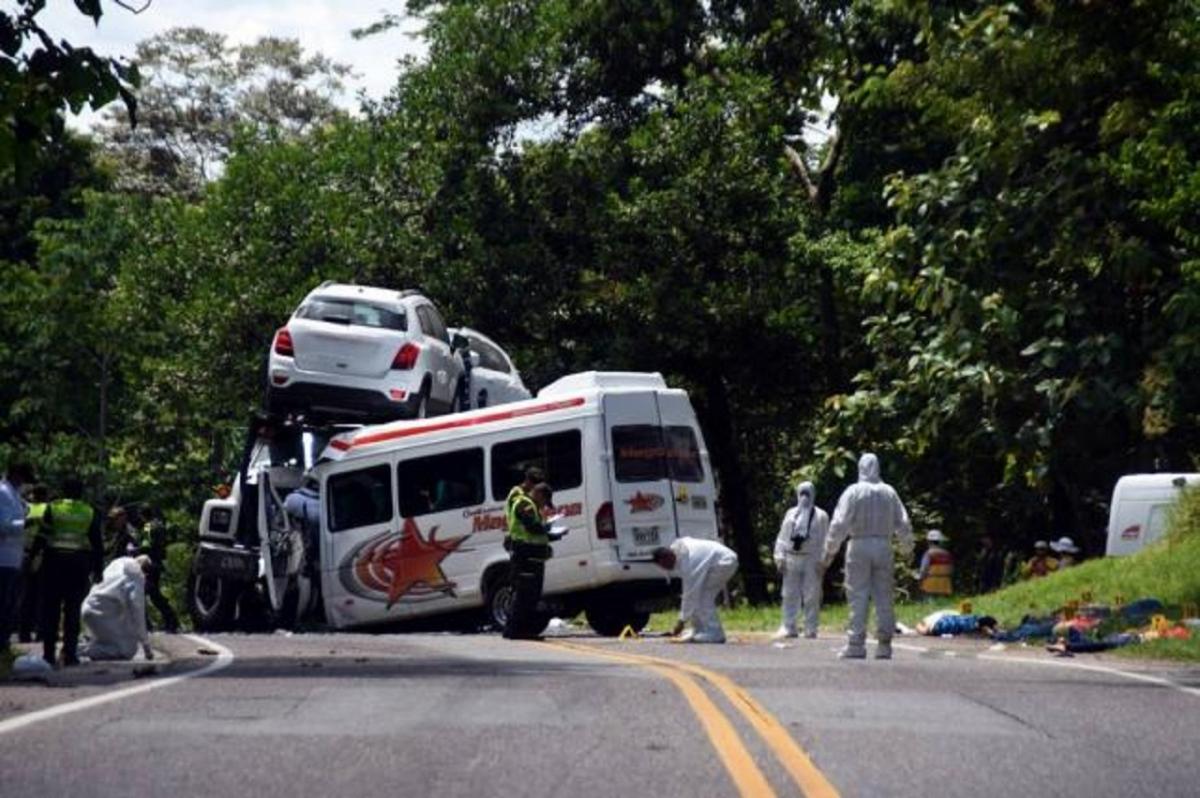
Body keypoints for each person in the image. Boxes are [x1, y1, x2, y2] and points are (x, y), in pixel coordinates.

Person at [823, 453, 914, 660]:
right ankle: (884, 645)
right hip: (884, 544)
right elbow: (903, 522)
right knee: (884, 595)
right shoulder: (889, 492)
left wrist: (829, 551)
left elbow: (839, 524)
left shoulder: (853, 492)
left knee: (858, 595)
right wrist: (907, 547)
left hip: (859, 544)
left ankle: (856, 644)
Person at [35, 476, 104, 667]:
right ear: (81, 492)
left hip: (53, 563)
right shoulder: (88, 512)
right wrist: (99, 570)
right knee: (73, 610)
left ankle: (48, 655)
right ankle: (70, 654)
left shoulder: (53, 508)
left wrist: (32, 557)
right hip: (78, 565)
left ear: (63, 490)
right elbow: (97, 543)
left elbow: (41, 536)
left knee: (51, 610)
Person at [652, 537, 739, 644]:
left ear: (667, 557)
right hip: (717, 561)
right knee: (698, 597)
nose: (667, 568)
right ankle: (699, 629)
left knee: (703, 596)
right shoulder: (679, 552)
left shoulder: (689, 559)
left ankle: (715, 633)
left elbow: (690, 593)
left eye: (665, 565)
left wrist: (681, 622)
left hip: (724, 561)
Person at [772, 480, 829, 639]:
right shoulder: (791, 514)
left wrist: (824, 560)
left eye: (807, 493)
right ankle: (788, 626)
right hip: (791, 557)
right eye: (801, 493)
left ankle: (811, 627)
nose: (804, 497)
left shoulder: (821, 515)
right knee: (789, 594)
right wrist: (779, 556)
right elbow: (782, 537)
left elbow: (827, 539)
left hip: (812, 558)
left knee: (812, 594)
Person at [503, 468, 552, 640]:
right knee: (524, 593)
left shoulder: (528, 501)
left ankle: (516, 630)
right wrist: (546, 530)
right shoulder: (522, 500)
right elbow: (530, 525)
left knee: (526, 593)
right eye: (544, 500)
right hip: (524, 552)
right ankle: (516, 630)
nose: (544, 505)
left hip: (527, 551)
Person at [79, 555, 154, 661]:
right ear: (145, 573)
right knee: (127, 650)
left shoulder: (118, 563)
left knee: (109, 643)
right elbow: (137, 609)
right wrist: (146, 645)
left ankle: (83, 648)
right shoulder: (137, 574)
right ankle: (80, 651)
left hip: (90, 606)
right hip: (102, 612)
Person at [0, 463, 32, 654]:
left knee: (10, 606)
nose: (25, 484)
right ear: (16, 475)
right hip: (3, 558)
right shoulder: (3, 493)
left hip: (13, 558)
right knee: (3, 605)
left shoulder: (14, 494)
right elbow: (3, 525)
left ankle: (4, 645)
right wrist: (26, 523)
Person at [138, 508, 179, 633]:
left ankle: (147, 624)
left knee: (144, 594)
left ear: (143, 516)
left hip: (149, 563)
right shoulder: (160, 525)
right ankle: (170, 621)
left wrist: (135, 550)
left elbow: (145, 545)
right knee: (154, 594)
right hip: (157, 563)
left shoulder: (147, 526)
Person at [917, 529, 953, 598]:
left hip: (930, 586)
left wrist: (920, 579)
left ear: (929, 542)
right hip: (945, 586)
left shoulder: (929, 554)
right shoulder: (947, 554)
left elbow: (923, 570)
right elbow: (951, 570)